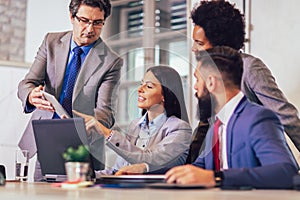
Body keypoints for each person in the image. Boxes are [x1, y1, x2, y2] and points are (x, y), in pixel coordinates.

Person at [165, 46, 298, 189]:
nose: (195, 87)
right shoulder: (216, 125)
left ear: (211, 82)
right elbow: (200, 167)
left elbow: (285, 172)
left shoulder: (258, 118)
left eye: (197, 79)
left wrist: (216, 177)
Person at [17, 0, 122, 180]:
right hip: (46, 139)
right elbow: (27, 83)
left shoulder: (111, 61)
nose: (90, 29)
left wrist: (80, 127)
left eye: (97, 23)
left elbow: (106, 112)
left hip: (83, 147)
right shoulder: (51, 41)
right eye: (84, 20)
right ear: (72, 17)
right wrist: (31, 95)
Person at [186, 0, 300, 163]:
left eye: (199, 43)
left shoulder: (249, 67)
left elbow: (284, 115)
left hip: (256, 164)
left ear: (219, 43)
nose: (194, 48)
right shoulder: (207, 73)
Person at [74, 66, 192, 174]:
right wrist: (83, 175)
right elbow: (117, 170)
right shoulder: (135, 126)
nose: (140, 89)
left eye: (149, 86)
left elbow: (150, 159)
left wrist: (107, 133)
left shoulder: (180, 129)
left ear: (165, 95)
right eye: (141, 84)